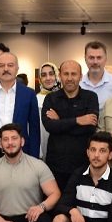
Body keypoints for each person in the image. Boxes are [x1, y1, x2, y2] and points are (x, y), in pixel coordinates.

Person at [41, 60, 99, 192]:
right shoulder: (51, 98)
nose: (69, 78)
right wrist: (78, 120)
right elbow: (49, 126)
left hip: (83, 165)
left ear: (81, 76)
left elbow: (89, 128)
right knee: (56, 201)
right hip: (56, 165)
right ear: (60, 76)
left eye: (74, 74)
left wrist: (60, 122)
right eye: (66, 74)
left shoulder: (90, 97)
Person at [79, 41, 112, 112]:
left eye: (99, 58)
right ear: (85, 59)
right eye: (91, 58)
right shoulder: (79, 84)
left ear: (105, 59)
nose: (95, 62)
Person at [35, 61, 60, 160]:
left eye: (51, 74)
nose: (48, 78)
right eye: (44, 75)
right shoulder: (36, 99)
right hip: (42, 141)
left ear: (57, 75)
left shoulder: (65, 97)